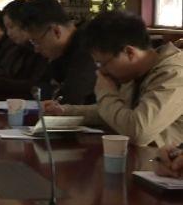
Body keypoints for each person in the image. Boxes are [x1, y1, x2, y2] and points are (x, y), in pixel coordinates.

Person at [45, 11, 183, 147]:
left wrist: (105, 92)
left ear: (129, 52)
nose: (101, 71)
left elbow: (138, 132)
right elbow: (117, 115)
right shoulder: (135, 72)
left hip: (164, 158)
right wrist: (65, 111)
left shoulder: (174, 73)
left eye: (103, 63)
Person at [20, 0, 96, 105]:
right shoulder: (59, 53)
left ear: (56, 31)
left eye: (36, 42)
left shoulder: (87, 49)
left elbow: (71, 101)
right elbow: (39, 88)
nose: (36, 49)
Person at [0, 0, 50, 98]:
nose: (8, 33)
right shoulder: (16, 47)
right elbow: (5, 74)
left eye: (11, 27)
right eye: (7, 28)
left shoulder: (41, 49)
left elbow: (36, 86)